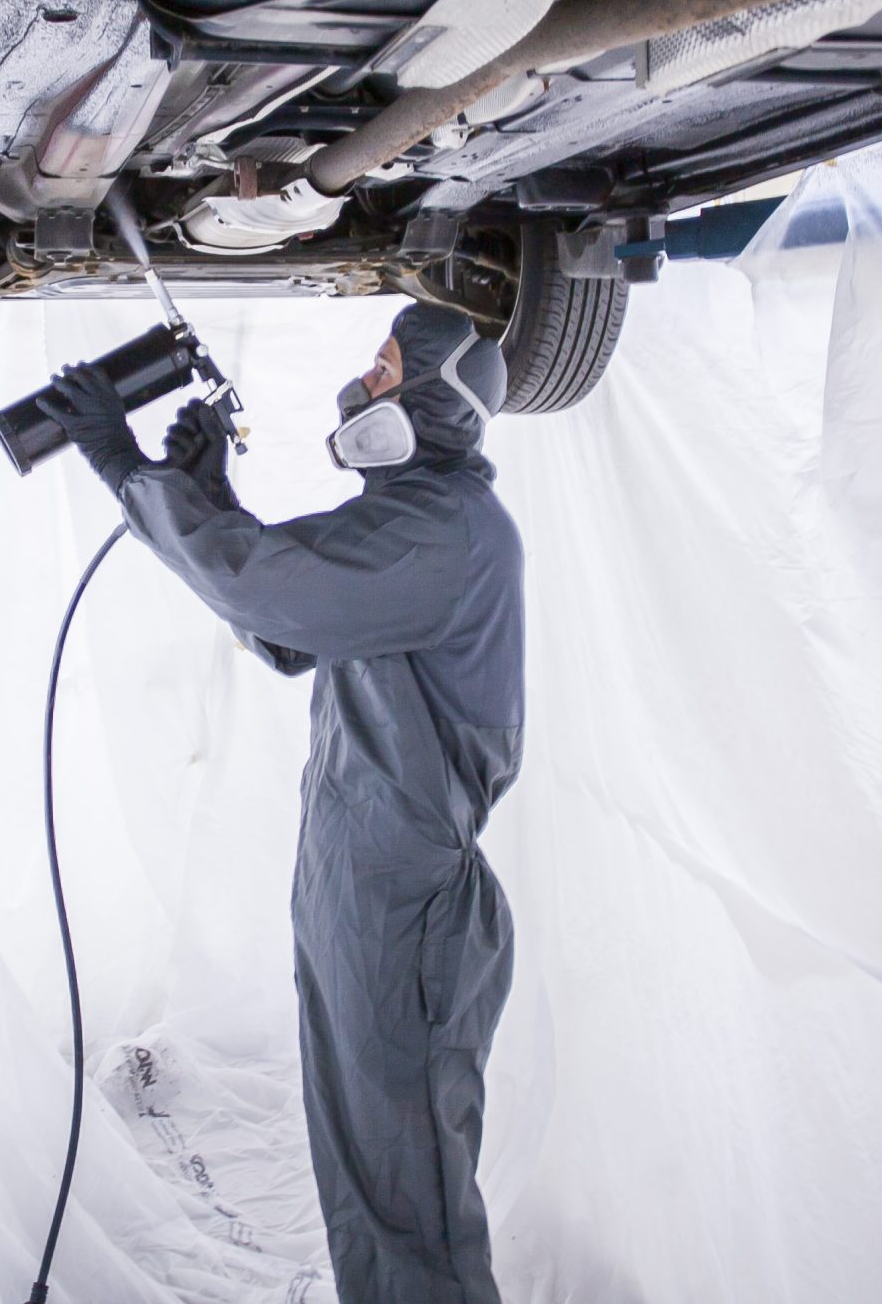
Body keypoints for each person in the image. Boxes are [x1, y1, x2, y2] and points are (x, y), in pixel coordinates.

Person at [38, 302, 525, 1304]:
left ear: (438, 398)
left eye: (389, 367)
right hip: (363, 889)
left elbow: (267, 591)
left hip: (408, 905)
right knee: (368, 1170)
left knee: (408, 1188)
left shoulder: (449, 531)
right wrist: (207, 487)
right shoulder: (408, 518)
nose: (368, 380)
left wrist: (125, 467)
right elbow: (291, 630)